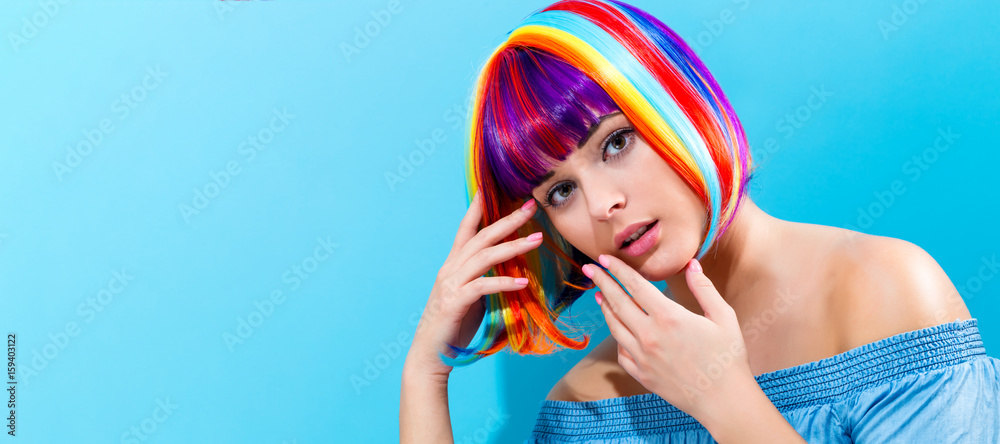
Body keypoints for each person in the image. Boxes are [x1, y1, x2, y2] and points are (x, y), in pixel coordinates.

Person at [400, 1, 1000, 442]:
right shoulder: (589, 407)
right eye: (560, 190)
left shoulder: (885, 292)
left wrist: (723, 398)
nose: (601, 204)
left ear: (680, 106)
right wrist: (426, 373)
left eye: (616, 142)